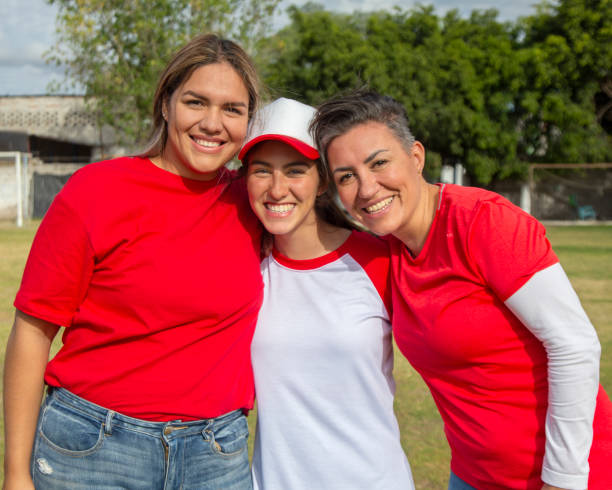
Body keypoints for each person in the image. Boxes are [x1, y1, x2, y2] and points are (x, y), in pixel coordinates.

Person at [310, 90, 612, 490]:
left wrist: (563, 480)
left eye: (379, 163)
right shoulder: (390, 252)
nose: (366, 189)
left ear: (415, 157)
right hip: (472, 476)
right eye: (346, 176)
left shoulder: (484, 222)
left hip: (566, 476)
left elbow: (574, 345)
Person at [3, 33, 264, 490]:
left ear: (249, 121)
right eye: (195, 102)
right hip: (93, 448)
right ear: (165, 103)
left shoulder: (257, 202)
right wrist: (15, 473)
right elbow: (32, 332)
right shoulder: (95, 192)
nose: (212, 123)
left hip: (215, 454)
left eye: (232, 109)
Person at [238, 97, 415, 489]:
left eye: (296, 170)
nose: (277, 188)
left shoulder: (380, 260)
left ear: (322, 180)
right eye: (261, 171)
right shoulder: (242, 271)